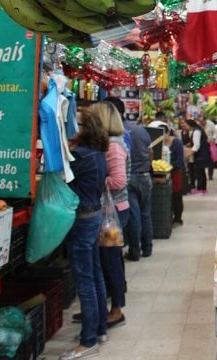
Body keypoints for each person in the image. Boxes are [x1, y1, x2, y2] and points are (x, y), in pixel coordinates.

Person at [61, 110, 109, 360]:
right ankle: (100, 329)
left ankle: (88, 340)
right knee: (95, 275)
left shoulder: (80, 154)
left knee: (84, 280)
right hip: (93, 216)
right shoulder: (98, 152)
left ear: (85, 127)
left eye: (75, 123)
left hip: (82, 220)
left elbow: (62, 177)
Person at [90, 101, 129, 329]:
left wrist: (94, 180)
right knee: (108, 260)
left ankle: (116, 309)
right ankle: (101, 307)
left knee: (110, 261)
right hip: (108, 211)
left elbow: (119, 181)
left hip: (113, 213)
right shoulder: (108, 144)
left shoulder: (113, 146)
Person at [105, 97, 153, 261]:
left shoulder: (115, 134)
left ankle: (134, 251)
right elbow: (150, 151)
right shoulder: (140, 130)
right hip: (145, 176)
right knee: (145, 213)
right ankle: (147, 247)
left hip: (129, 178)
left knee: (134, 216)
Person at [163, 127, 186, 224]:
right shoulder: (159, 143)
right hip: (164, 173)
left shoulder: (177, 143)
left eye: (164, 134)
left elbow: (180, 161)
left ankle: (177, 218)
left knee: (176, 195)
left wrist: (168, 166)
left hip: (176, 172)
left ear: (168, 132)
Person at [189, 113, 211, 195]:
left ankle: (200, 189)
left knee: (199, 172)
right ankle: (203, 189)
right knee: (201, 171)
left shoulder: (196, 131)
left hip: (200, 155)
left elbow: (196, 145)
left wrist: (190, 153)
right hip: (203, 154)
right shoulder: (199, 129)